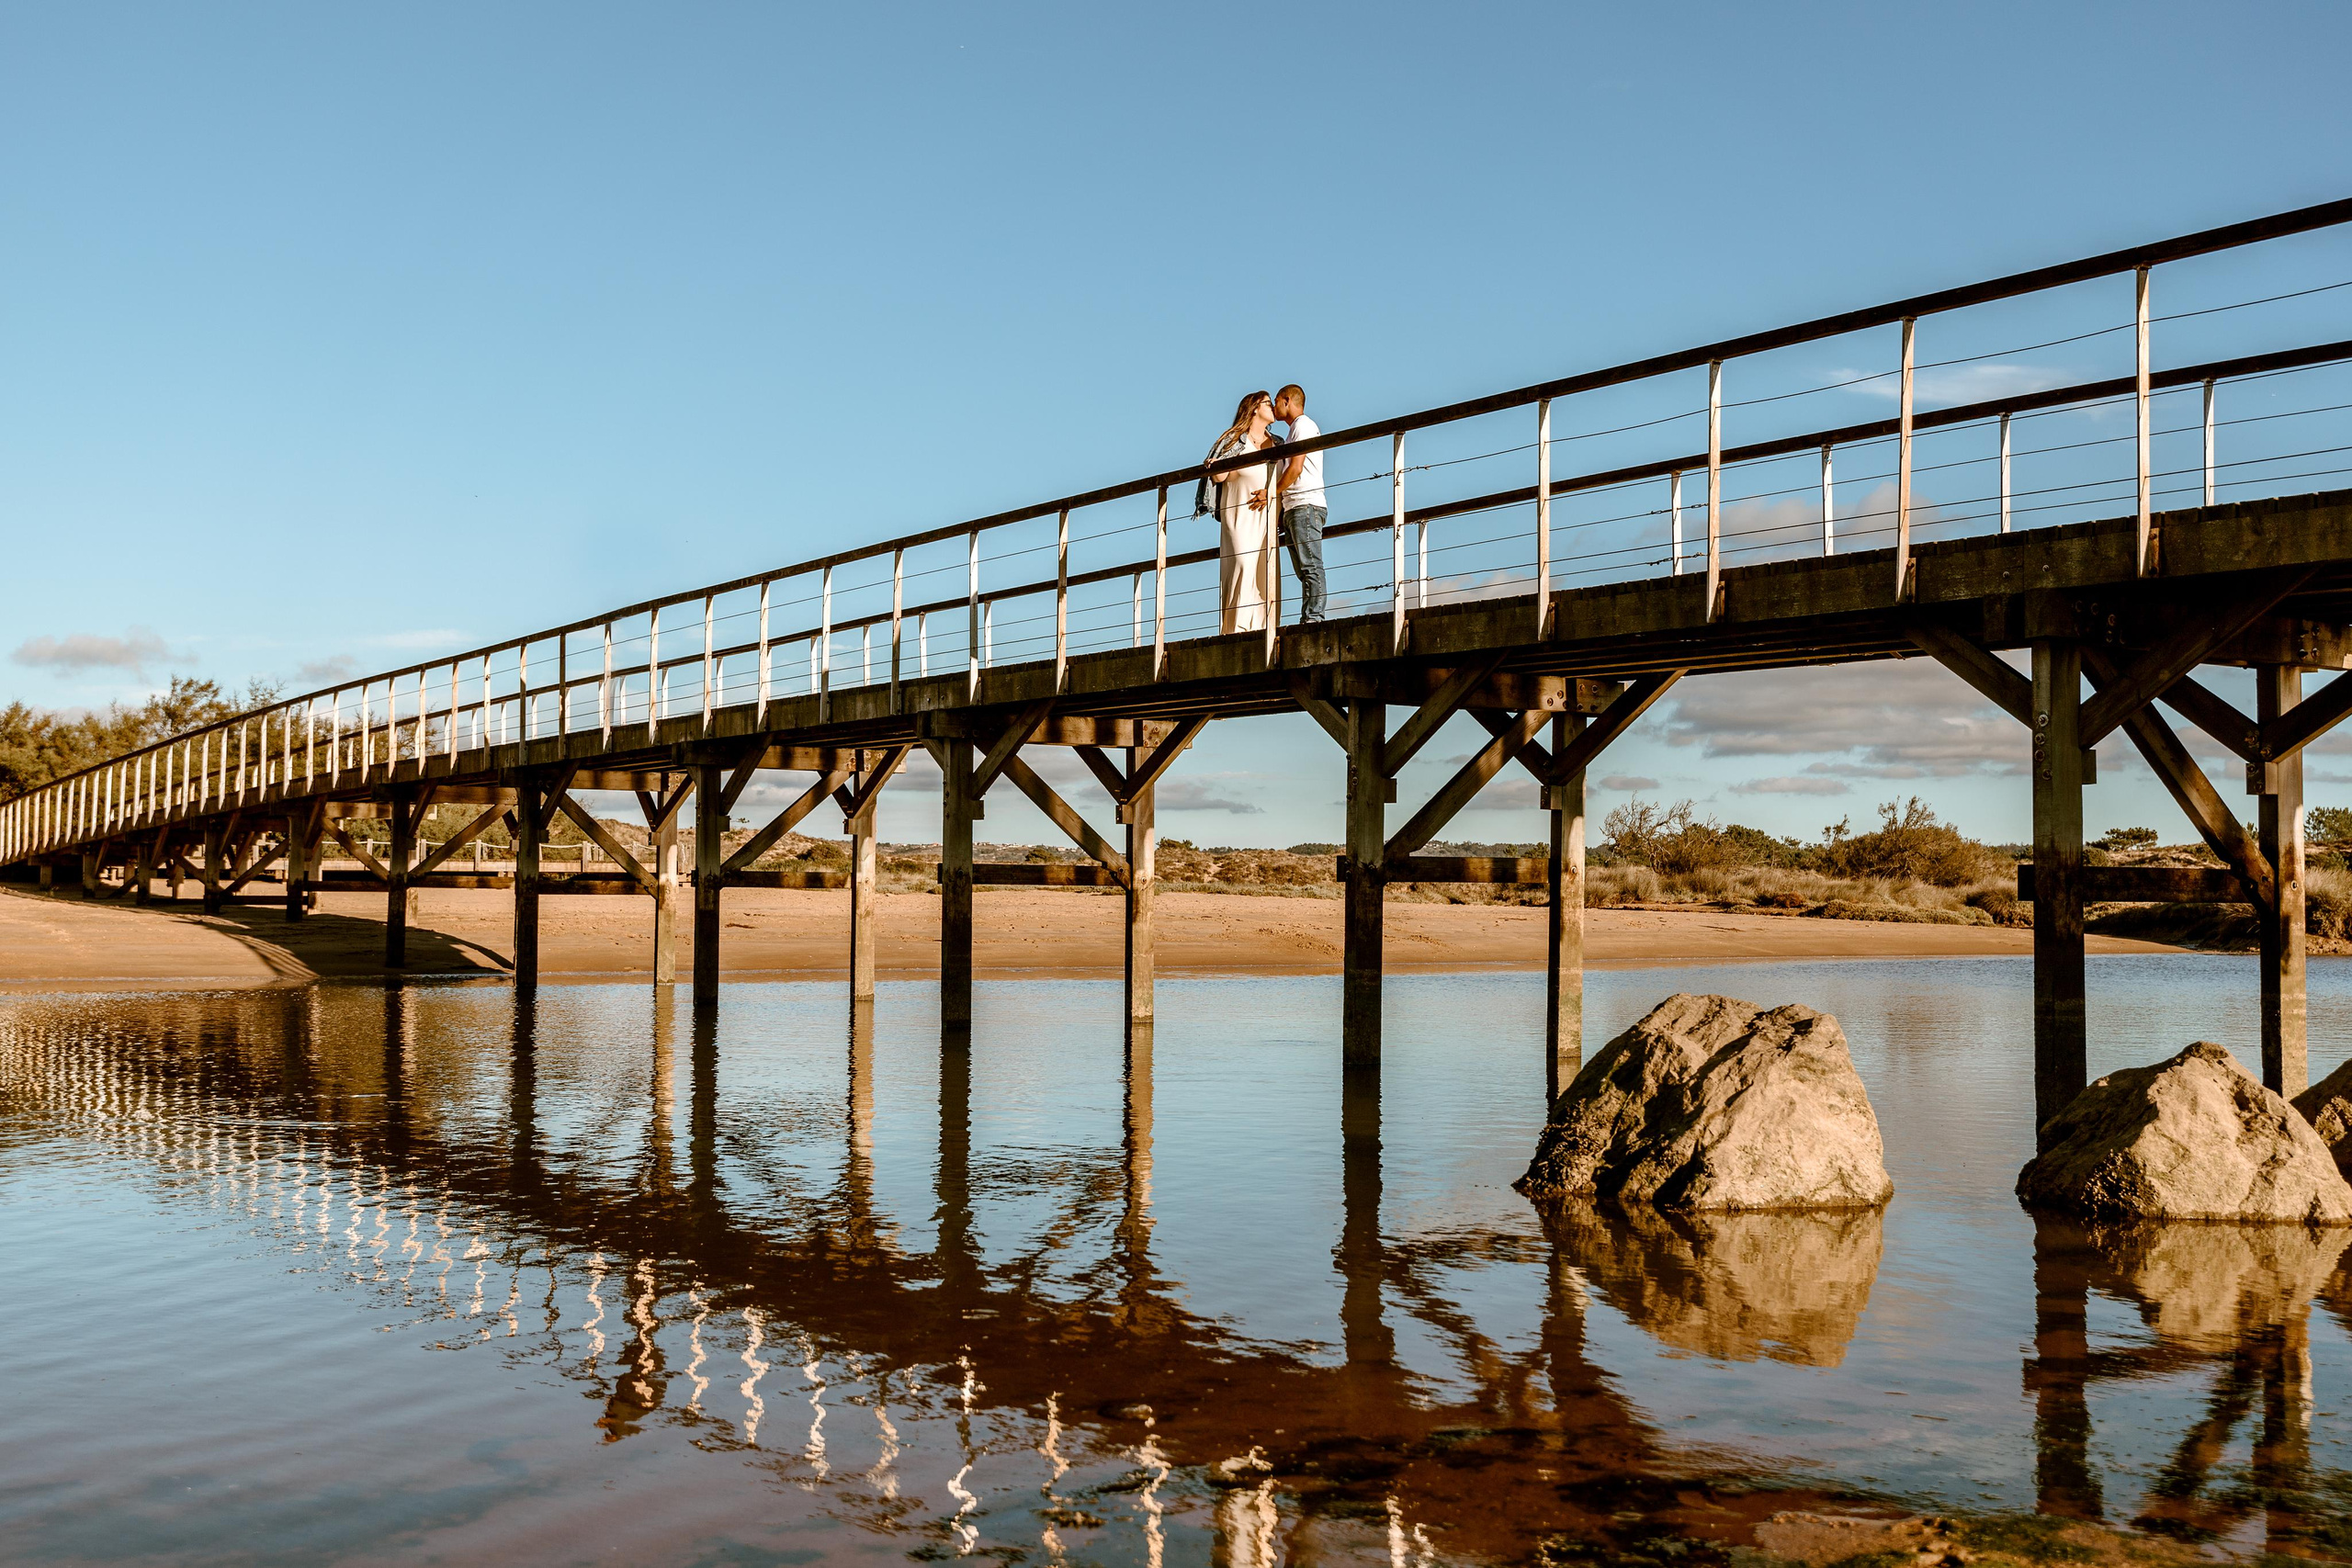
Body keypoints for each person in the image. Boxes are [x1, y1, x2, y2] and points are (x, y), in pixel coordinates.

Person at [1203, 389, 1278, 634]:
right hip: (1239, 517)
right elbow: (1219, 476)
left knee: (1265, 572)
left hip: (1267, 519)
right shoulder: (1233, 441)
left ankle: (1264, 630)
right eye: (1269, 403)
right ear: (1255, 407)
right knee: (1243, 565)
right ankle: (1235, 632)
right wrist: (1215, 466)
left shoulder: (1278, 443)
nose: (1274, 407)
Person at [1271, 384, 1326, 622]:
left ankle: (1314, 618)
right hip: (1296, 507)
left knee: (1310, 565)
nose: (1273, 407)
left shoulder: (1303, 425)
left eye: (1275, 402)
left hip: (1306, 504)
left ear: (1286, 400)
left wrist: (1271, 493)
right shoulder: (1295, 429)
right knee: (1304, 568)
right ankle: (1310, 616)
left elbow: (1296, 467)